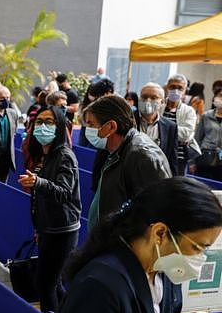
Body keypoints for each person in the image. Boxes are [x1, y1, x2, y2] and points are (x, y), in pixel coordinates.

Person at [53, 177, 222, 313]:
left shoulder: (165, 273)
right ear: (160, 233)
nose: (200, 257)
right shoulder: (100, 288)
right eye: (198, 247)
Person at [19, 105, 81, 313]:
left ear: (59, 126)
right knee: (51, 283)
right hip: (47, 228)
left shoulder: (64, 155)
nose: (42, 127)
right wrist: (39, 227)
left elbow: (64, 193)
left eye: (49, 122)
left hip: (62, 230)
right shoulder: (43, 155)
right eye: (39, 122)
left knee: (47, 284)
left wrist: (38, 183)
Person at [84, 95, 171, 230]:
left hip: (121, 245)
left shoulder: (142, 156)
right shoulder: (116, 150)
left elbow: (154, 212)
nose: (87, 129)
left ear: (111, 127)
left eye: (91, 124)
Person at [134, 83, 179, 176]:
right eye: (144, 97)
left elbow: (172, 160)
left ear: (162, 102)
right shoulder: (127, 120)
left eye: (154, 97)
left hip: (155, 178)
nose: (148, 101)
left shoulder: (170, 127)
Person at [162, 74, 198, 176]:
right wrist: (176, 132)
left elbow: (186, 135)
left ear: (185, 91)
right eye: (172, 87)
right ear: (167, 88)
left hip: (179, 159)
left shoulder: (189, 111)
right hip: (158, 155)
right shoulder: (159, 107)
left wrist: (163, 130)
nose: (176, 90)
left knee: (177, 189)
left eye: (180, 88)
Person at [192, 88, 222, 181]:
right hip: (205, 157)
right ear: (215, 97)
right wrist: (193, 161)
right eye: (220, 95)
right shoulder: (206, 116)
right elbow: (197, 139)